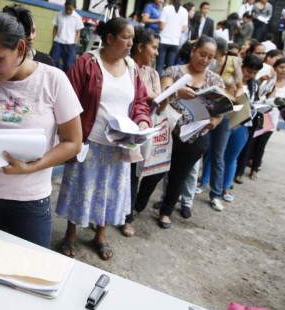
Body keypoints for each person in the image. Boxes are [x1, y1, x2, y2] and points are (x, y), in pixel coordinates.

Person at [0, 11, 83, 248]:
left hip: (30, 201)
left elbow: (73, 142)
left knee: (28, 269)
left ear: (20, 49)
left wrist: (31, 167)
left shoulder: (54, 80)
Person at [56, 18, 150, 259]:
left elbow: (140, 102)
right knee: (81, 188)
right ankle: (71, 234)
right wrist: (70, 134)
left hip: (119, 145)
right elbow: (69, 97)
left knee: (109, 191)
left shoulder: (132, 68)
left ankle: (101, 235)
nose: (131, 42)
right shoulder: (87, 63)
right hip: (89, 140)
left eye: (132, 38)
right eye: (126, 37)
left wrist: (141, 122)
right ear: (109, 38)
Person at [135, 36, 224, 228]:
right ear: (193, 51)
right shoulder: (174, 71)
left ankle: (166, 211)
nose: (205, 60)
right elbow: (163, 94)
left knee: (179, 175)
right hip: (167, 133)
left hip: (196, 137)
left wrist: (214, 122)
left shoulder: (215, 80)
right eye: (202, 54)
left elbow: (220, 112)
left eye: (210, 57)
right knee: (154, 172)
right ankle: (137, 206)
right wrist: (177, 92)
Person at [120, 27, 161, 238]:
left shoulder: (153, 74)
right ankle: (104, 217)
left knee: (133, 176)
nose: (156, 53)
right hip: (118, 129)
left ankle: (126, 217)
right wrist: (147, 96)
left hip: (140, 130)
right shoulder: (123, 67)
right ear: (140, 46)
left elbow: (159, 105)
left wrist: (160, 98)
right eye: (153, 48)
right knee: (113, 174)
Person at [197, 38, 242, 210]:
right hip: (204, 110)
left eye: (214, 55)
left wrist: (234, 98)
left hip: (224, 113)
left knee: (218, 155)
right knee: (198, 152)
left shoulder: (234, 63)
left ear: (221, 53)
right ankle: (193, 188)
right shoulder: (205, 63)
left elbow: (239, 86)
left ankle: (215, 194)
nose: (209, 59)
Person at [219, 54, 263, 201]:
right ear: (241, 67)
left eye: (254, 73)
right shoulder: (230, 80)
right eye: (248, 71)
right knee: (216, 155)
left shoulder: (254, 85)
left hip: (243, 123)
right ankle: (206, 183)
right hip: (224, 120)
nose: (250, 75)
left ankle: (225, 188)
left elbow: (255, 101)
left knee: (231, 157)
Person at [247, 58, 285, 180]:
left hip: (271, 119)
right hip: (259, 116)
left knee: (261, 146)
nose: (283, 70)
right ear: (275, 68)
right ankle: (242, 167)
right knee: (250, 144)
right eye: (281, 67)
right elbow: (257, 96)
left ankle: (254, 169)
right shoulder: (266, 81)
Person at [156, 0, 188, 75]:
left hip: (163, 40)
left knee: (159, 65)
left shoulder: (166, 8)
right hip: (175, 42)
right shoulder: (184, 11)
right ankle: (167, 85)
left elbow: (161, 27)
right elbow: (184, 29)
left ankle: (157, 85)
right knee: (170, 68)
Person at [50, 0, 84, 72]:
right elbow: (55, 28)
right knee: (52, 62)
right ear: (65, 6)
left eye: (70, 9)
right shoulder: (59, 14)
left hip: (70, 44)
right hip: (58, 43)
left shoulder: (78, 18)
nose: (68, 11)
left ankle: (66, 80)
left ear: (75, 7)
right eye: (66, 8)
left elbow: (78, 32)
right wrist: (54, 40)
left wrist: (75, 43)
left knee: (69, 65)